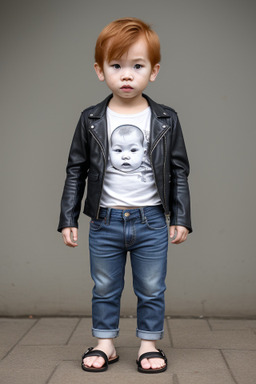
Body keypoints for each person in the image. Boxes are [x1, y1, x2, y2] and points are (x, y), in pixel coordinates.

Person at [58, 17, 192, 374]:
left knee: (151, 287)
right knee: (104, 286)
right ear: (101, 71)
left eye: (137, 66)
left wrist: (181, 217)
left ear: (154, 70)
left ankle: (149, 345)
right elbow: (76, 170)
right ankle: (105, 343)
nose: (127, 75)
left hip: (151, 220)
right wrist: (67, 218)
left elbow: (179, 171)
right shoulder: (91, 119)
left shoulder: (165, 119)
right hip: (105, 220)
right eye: (116, 66)